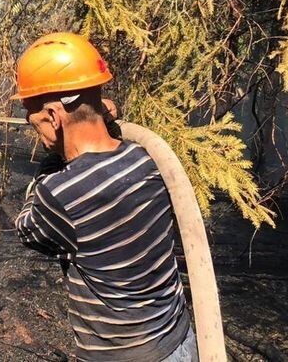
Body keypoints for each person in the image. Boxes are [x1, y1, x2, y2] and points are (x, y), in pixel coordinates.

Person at [12, 32, 197, 362]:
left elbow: (27, 229)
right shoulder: (147, 159)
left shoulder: (58, 193)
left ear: (54, 117)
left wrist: (52, 158)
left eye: (32, 117)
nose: (33, 127)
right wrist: (102, 122)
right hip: (180, 339)